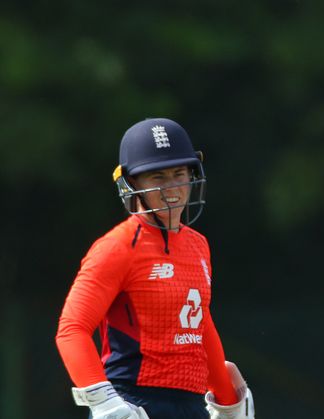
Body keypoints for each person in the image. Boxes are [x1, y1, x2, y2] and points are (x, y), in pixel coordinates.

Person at [55, 118, 255, 419]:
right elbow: (72, 329)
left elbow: (201, 326)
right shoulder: (118, 246)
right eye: (157, 178)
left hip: (191, 403)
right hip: (134, 402)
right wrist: (104, 402)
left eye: (179, 174)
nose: (172, 188)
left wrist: (228, 399)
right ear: (132, 184)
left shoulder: (198, 245)